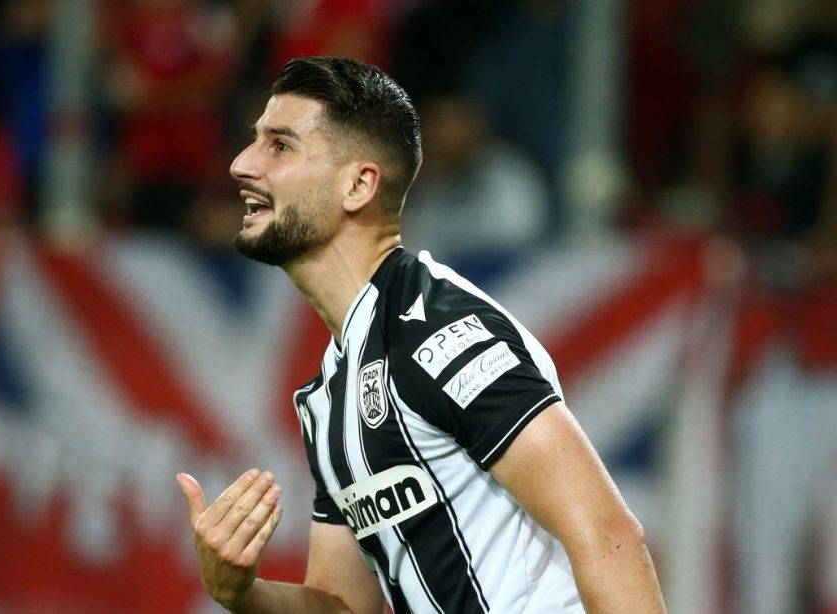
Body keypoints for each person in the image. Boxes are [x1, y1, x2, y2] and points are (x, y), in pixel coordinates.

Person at [176, 56, 666, 613]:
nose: (242, 164)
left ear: (358, 185)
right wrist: (240, 592)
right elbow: (343, 605)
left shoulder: (441, 331)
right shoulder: (331, 392)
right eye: (254, 141)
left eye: (280, 146)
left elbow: (607, 535)